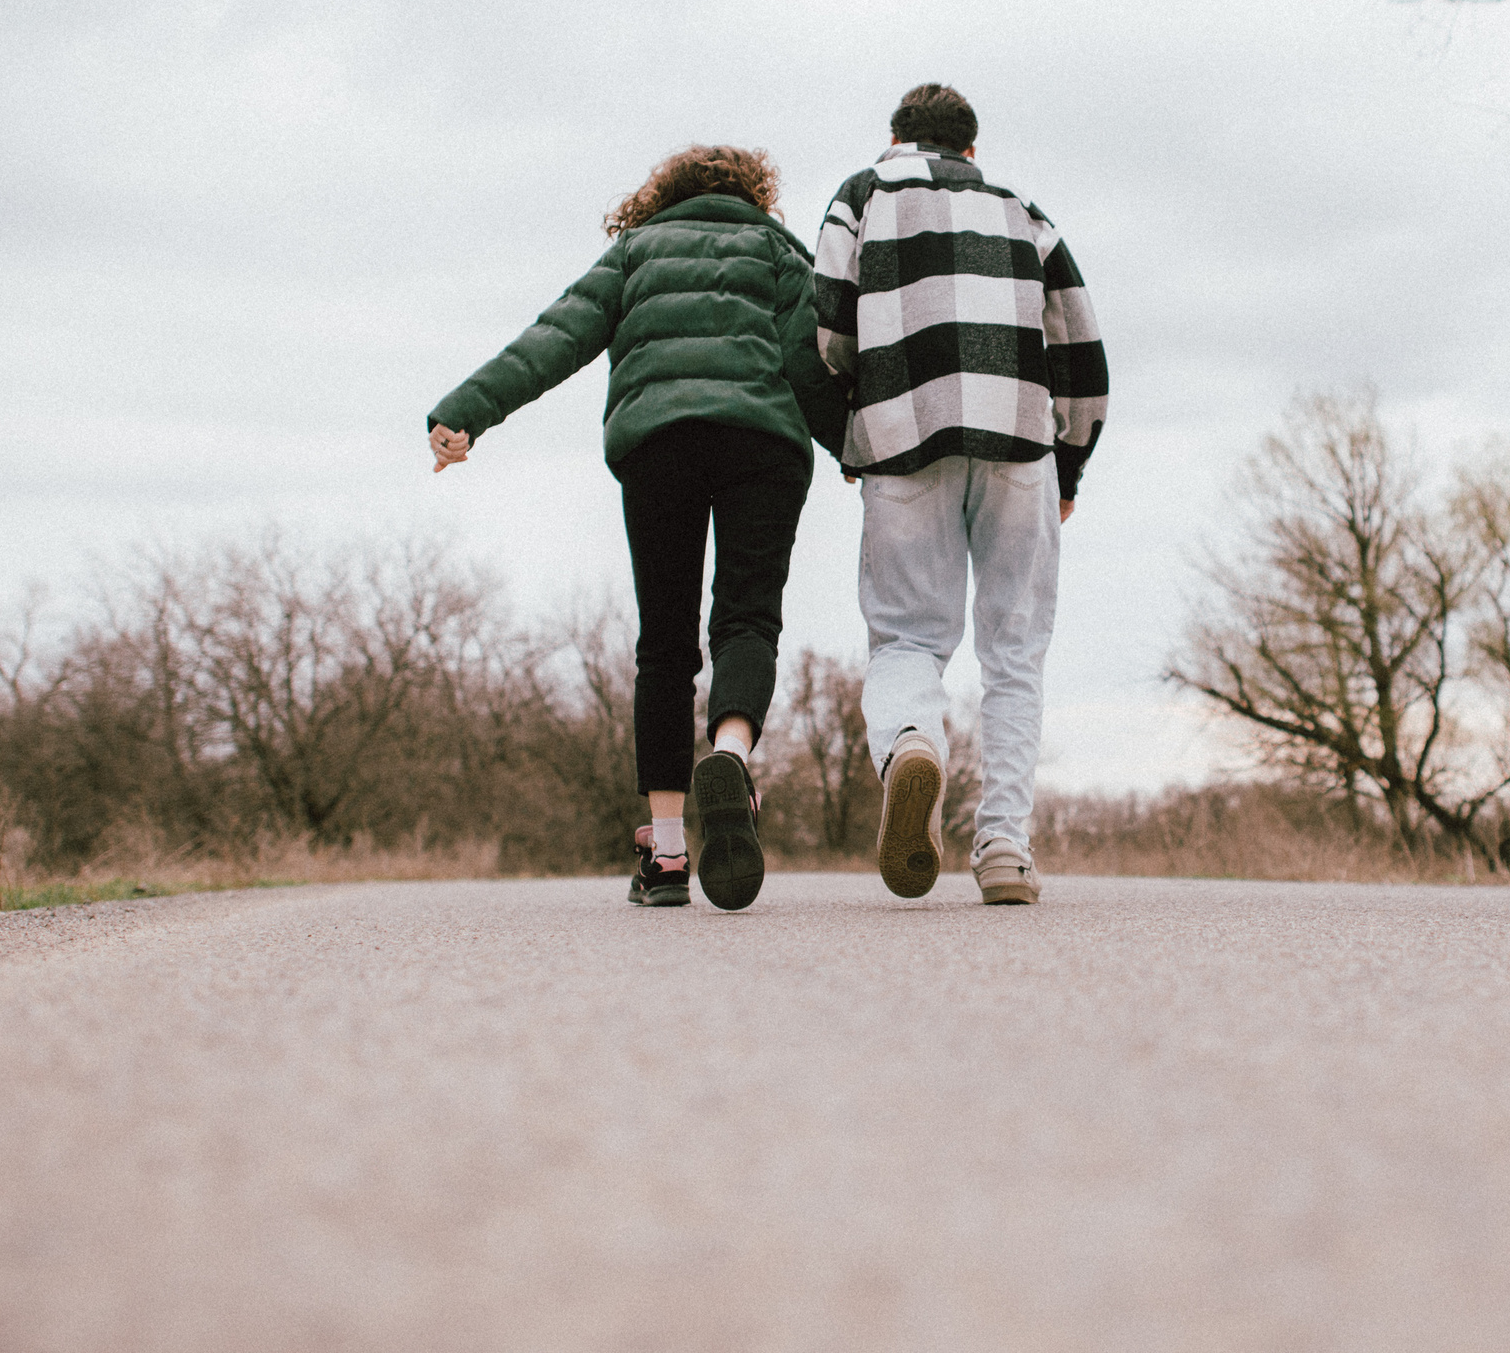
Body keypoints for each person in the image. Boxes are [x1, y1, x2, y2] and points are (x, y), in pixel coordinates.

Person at [427, 145, 841, 912]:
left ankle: (669, 853)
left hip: (660, 445)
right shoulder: (777, 250)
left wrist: (466, 410)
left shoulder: (634, 252)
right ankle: (731, 754)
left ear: (663, 195)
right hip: (763, 446)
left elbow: (554, 337)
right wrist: (854, 450)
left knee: (665, 644)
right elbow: (809, 361)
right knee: (747, 619)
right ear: (752, 194)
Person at [813, 84, 1108, 905]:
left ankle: (914, 741)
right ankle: (1005, 848)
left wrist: (849, 433)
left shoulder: (863, 194)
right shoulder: (1021, 209)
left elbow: (827, 329)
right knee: (1015, 652)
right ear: (970, 150)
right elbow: (1080, 343)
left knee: (907, 637)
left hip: (904, 437)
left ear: (897, 138)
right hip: (1019, 441)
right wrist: (1069, 467)